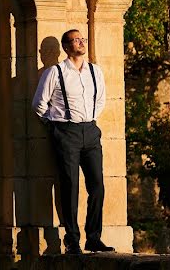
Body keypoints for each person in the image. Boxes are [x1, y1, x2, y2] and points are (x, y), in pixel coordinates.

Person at [31, 29, 115, 254]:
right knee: (70, 186)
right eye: (76, 40)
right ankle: (72, 240)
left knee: (97, 185)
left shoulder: (95, 71)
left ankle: (93, 237)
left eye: (83, 39)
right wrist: (55, 125)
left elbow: (101, 99)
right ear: (66, 47)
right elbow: (39, 104)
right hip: (66, 131)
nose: (81, 42)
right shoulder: (55, 72)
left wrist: (89, 121)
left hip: (90, 130)